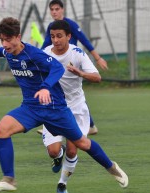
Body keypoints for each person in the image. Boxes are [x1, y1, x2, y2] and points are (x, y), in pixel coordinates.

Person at [0, 17, 128, 193]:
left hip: (55, 109)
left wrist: (45, 88)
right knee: (2, 130)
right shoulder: (8, 51)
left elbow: (58, 68)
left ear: (18, 37)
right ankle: (9, 179)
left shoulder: (34, 54)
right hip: (30, 108)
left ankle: (111, 167)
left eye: (8, 39)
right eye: (2, 40)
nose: (5, 44)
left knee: (82, 143)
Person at [41, 19, 103, 193]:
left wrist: (80, 73)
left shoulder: (78, 54)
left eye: (59, 36)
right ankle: (57, 155)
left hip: (76, 108)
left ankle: (62, 183)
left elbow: (97, 77)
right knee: (53, 151)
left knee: (73, 147)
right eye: (52, 36)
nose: (56, 40)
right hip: (54, 108)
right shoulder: (45, 53)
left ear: (69, 36)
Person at [38, 0, 106, 135]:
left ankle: (87, 125)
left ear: (62, 10)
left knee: (74, 95)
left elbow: (84, 40)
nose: (54, 12)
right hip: (57, 64)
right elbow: (46, 45)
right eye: (52, 9)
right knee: (57, 92)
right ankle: (52, 126)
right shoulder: (51, 27)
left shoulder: (71, 25)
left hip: (71, 64)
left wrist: (97, 58)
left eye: (57, 9)